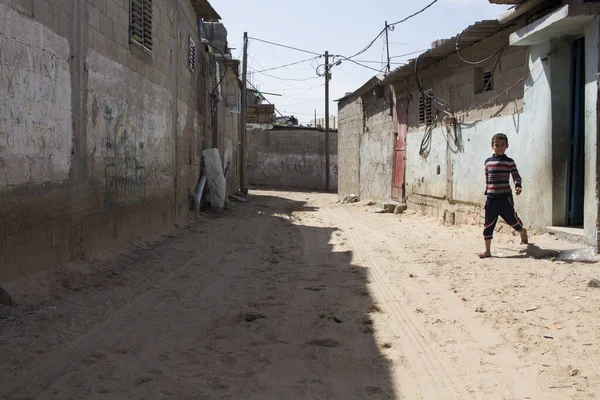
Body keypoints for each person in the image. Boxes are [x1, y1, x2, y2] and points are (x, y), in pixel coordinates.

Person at [479, 133, 528, 258]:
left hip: (505, 198)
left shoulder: (509, 162)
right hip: (491, 198)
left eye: (502, 145)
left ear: (507, 146)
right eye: (497, 145)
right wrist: (488, 191)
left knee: (512, 220)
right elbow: (487, 179)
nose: (499, 147)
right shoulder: (488, 162)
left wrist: (518, 185)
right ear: (492, 146)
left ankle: (522, 231)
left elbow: (516, 176)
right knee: (488, 224)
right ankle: (487, 251)